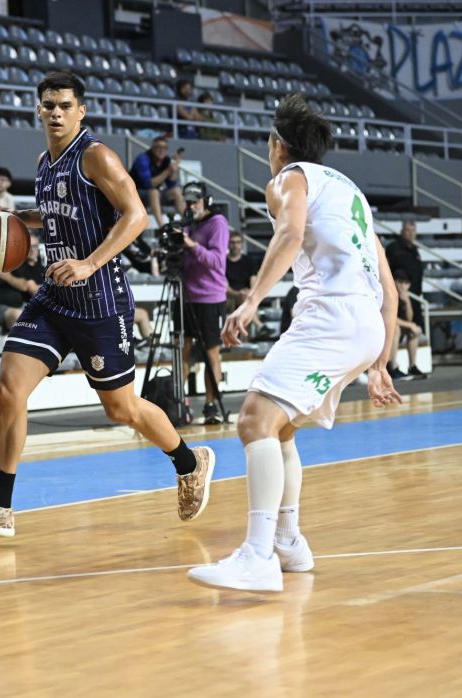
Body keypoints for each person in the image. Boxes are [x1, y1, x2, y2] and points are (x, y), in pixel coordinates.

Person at [0, 70, 215, 537]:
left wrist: (89, 263)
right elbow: (53, 216)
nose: (56, 112)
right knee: (8, 390)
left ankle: (190, 463)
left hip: (100, 301)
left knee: (121, 409)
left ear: (80, 111)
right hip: (54, 297)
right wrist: (10, 220)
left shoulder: (95, 156)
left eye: (65, 105)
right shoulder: (45, 162)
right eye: (48, 105)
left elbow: (137, 215)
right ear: (39, 109)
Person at [187, 94, 401, 592]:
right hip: (365, 325)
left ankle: (258, 555)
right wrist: (380, 363)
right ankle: (287, 541)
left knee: (253, 420)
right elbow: (389, 291)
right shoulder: (351, 194)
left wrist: (250, 301)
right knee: (280, 429)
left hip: (331, 315)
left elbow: (289, 234)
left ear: (277, 146)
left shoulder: (289, 178)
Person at [179, 181, 229, 425]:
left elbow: (217, 261)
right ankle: (180, 402)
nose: (191, 206)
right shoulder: (187, 224)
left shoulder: (217, 223)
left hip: (210, 297)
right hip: (186, 295)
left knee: (211, 353)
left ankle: (210, 405)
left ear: (205, 201)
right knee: (184, 349)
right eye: (188, 202)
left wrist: (191, 245)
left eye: (195, 202)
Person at [128, 136, 186, 229]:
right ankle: (162, 228)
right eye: (158, 147)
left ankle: (188, 224)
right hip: (136, 194)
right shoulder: (143, 159)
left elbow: (171, 184)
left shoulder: (166, 161)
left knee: (176, 191)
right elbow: (149, 184)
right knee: (154, 192)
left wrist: (175, 168)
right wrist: (168, 170)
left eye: (164, 148)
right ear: (152, 148)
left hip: (154, 195)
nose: (161, 150)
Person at [225, 230, 271, 339]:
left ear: (242, 244)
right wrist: (238, 294)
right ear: (228, 244)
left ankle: (247, 339)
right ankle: (259, 326)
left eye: (238, 242)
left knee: (247, 300)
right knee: (246, 301)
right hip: (228, 297)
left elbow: (254, 284)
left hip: (245, 296)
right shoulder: (222, 262)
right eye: (232, 242)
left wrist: (248, 294)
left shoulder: (249, 261)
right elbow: (225, 288)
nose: (235, 245)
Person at [384, 219, 423, 336]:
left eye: (413, 230)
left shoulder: (415, 251)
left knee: (415, 332)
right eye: (407, 230)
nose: (410, 233)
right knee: (396, 328)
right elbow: (386, 270)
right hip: (397, 295)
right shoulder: (393, 248)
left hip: (414, 297)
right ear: (402, 231)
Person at [387, 269, 424, 381]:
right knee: (396, 329)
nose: (403, 286)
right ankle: (392, 366)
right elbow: (390, 318)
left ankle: (412, 366)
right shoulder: (388, 294)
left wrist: (407, 301)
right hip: (383, 329)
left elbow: (409, 318)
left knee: (413, 331)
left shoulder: (405, 296)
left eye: (406, 283)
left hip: (392, 329)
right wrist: (410, 325)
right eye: (400, 282)